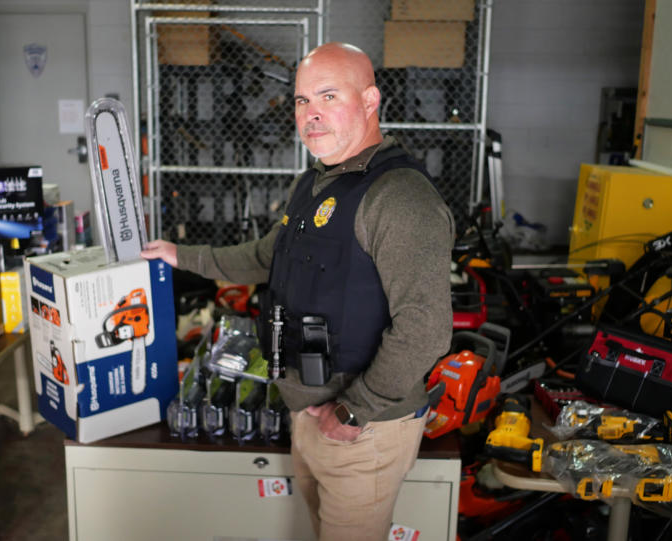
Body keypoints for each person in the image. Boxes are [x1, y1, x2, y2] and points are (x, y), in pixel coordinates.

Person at [141, 42, 454, 540]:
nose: (310, 114)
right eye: (302, 100)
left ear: (370, 100)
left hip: (363, 429)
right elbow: (267, 256)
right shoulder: (315, 182)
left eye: (328, 96)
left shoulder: (400, 199)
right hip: (310, 415)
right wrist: (183, 256)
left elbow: (426, 329)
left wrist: (353, 411)